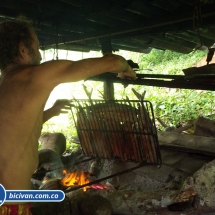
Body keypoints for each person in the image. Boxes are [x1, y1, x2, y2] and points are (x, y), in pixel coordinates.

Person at [0, 19, 136, 213]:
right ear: (23, 49)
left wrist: (50, 113)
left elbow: (15, 131)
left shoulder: (4, 83)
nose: (39, 54)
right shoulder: (34, 74)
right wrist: (126, 69)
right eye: (37, 47)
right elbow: (113, 62)